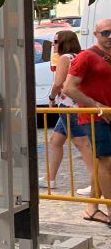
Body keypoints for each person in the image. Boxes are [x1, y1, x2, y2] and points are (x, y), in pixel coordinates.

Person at [63, 19, 111, 224]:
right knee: (107, 162)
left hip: (105, 114)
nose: (110, 37)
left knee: (102, 163)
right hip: (94, 117)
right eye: (106, 33)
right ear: (96, 34)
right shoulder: (86, 56)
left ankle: (92, 207)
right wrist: (97, 107)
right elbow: (68, 88)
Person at [41, 30, 94, 200]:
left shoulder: (65, 58)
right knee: (56, 141)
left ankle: (97, 182)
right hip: (72, 104)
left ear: (64, 42)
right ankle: (50, 178)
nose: (54, 45)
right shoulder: (77, 56)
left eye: (56, 41)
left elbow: (58, 83)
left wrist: (51, 97)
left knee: (82, 144)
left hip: (68, 105)